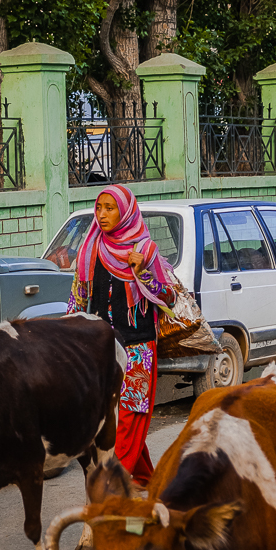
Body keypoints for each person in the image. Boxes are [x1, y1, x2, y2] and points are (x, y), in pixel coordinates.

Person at [67, 185, 176, 487]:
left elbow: (169, 298)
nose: (101, 214)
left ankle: (111, 487)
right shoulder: (90, 249)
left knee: (130, 417)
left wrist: (142, 273)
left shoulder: (146, 251)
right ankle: (146, 480)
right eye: (98, 207)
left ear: (125, 211)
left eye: (109, 208)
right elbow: (78, 297)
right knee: (110, 417)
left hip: (138, 348)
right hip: (101, 350)